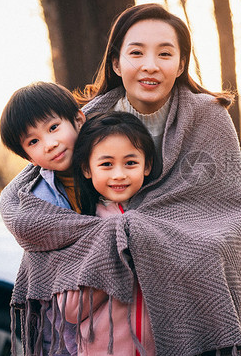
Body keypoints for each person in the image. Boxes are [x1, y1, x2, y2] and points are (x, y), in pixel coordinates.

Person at [0, 3, 241, 356]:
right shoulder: (87, 121)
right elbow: (29, 189)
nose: (150, 65)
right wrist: (112, 236)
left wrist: (148, 233)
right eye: (136, 52)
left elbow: (233, 213)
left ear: (181, 63)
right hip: (109, 326)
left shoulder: (208, 119)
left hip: (180, 292)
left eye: (165, 53)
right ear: (116, 62)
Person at [59, 111, 157, 355]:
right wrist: (118, 259)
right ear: (86, 169)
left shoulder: (161, 218)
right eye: (106, 164)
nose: (119, 174)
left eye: (130, 163)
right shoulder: (82, 228)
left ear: (147, 166)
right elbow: (70, 310)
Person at [0, 81, 85, 356]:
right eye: (34, 141)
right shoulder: (37, 202)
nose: (50, 144)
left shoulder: (112, 169)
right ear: (28, 157)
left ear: (78, 120)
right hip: (66, 328)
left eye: (53, 127)